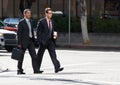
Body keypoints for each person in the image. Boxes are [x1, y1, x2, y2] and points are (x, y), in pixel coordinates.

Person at [37, 8, 64, 73]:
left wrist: (54, 36)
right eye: (49, 13)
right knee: (40, 56)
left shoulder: (52, 21)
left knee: (53, 55)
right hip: (43, 42)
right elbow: (38, 33)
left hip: (50, 41)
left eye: (51, 13)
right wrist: (40, 41)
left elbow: (52, 30)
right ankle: (36, 69)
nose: (51, 14)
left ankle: (57, 67)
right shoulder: (41, 21)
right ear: (46, 14)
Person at [17, 9, 43, 75]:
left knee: (34, 56)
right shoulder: (21, 22)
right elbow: (19, 34)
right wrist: (19, 43)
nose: (29, 14)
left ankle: (36, 70)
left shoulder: (31, 21)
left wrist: (34, 39)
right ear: (24, 14)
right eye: (28, 13)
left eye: (30, 13)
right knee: (21, 57)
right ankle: (19, 70)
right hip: (23, 42)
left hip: (30, 41)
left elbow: (31, 31)